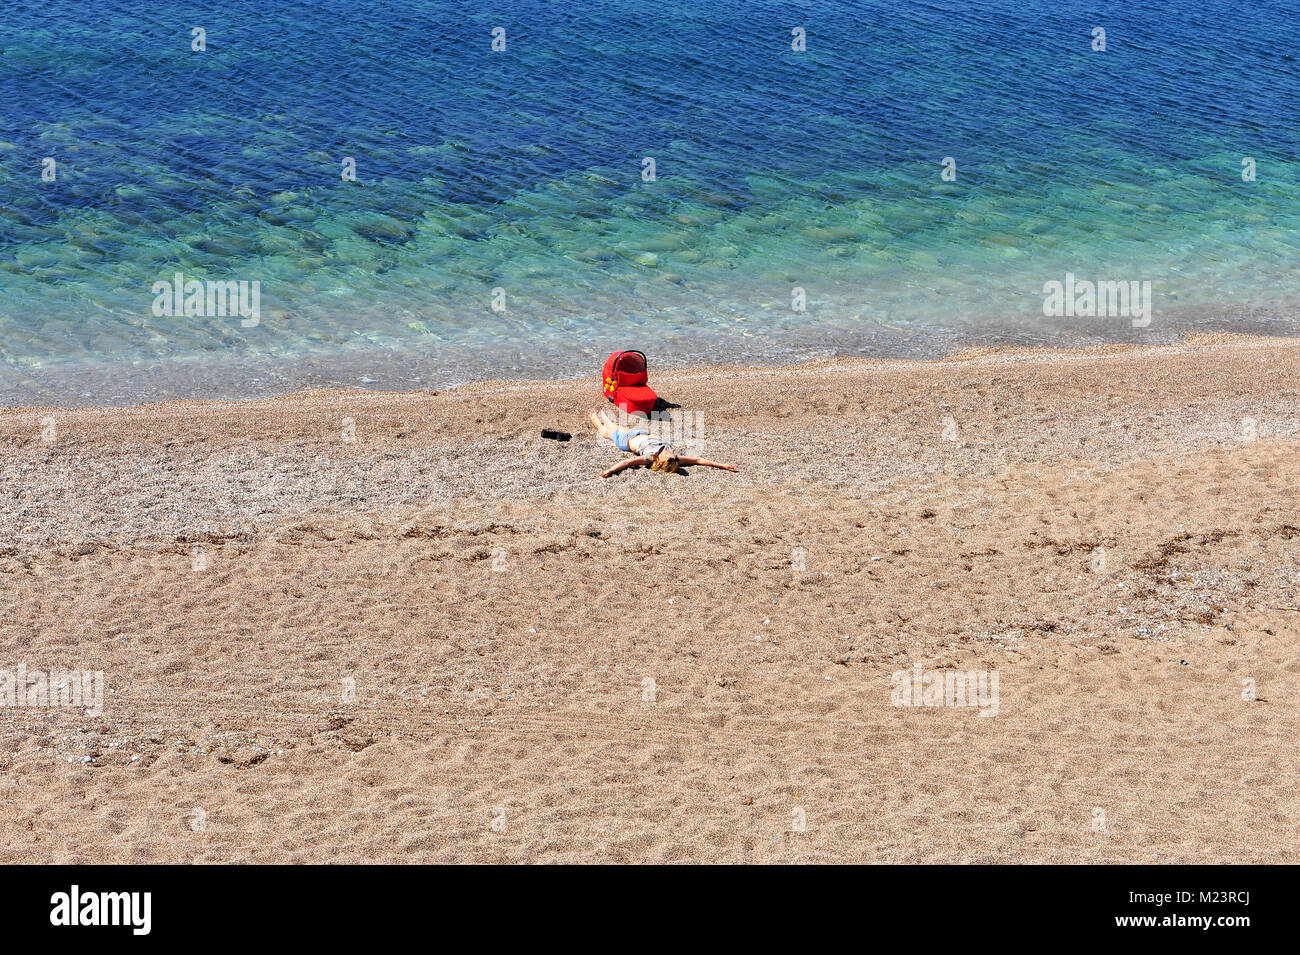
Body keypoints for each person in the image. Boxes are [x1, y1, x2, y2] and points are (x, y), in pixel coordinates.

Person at [589, 409, 738, 478]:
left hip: (625, 441)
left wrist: (610, 470)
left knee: (605, 431)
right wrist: (723, 465)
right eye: (672, 457)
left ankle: (594, 417)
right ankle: (604, 415)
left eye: (669, 457)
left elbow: (627, 462)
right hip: (638, 433)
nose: (671, 454)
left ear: (661, 462)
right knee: (614, 425)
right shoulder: (676, 458)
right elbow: (699, 460)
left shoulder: (650, 457)